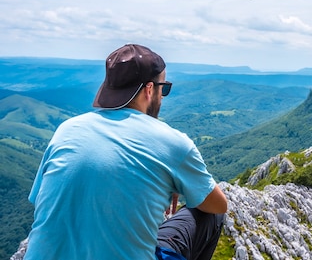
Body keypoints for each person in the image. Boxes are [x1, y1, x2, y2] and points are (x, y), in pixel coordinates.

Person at [24, 44, 228, 260]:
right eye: (164, 88)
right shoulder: (173, 143)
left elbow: (41, 200)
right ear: (149, 90)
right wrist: (178, 181)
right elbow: (218, 205)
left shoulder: (66, 130)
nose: (163, 96)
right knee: (212, 217)